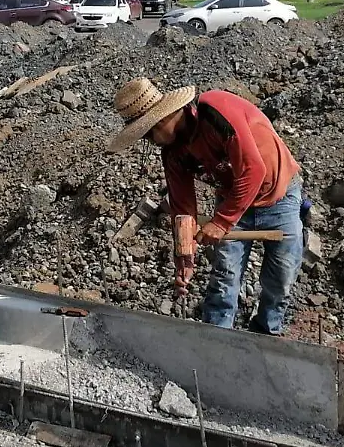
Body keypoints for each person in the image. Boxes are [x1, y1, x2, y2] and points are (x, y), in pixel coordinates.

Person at [107, 77, 303, 335]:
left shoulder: (215, 111)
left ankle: (267, 336)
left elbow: (254, 169)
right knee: (225, 278)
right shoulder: (173, 152)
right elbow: (182, 208)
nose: (150, 142)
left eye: (148, 133)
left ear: (163, 118)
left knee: (280, 280)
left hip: (279, 196)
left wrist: (221, 222)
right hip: (233, 201)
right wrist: (184, 257)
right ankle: (216, 341)